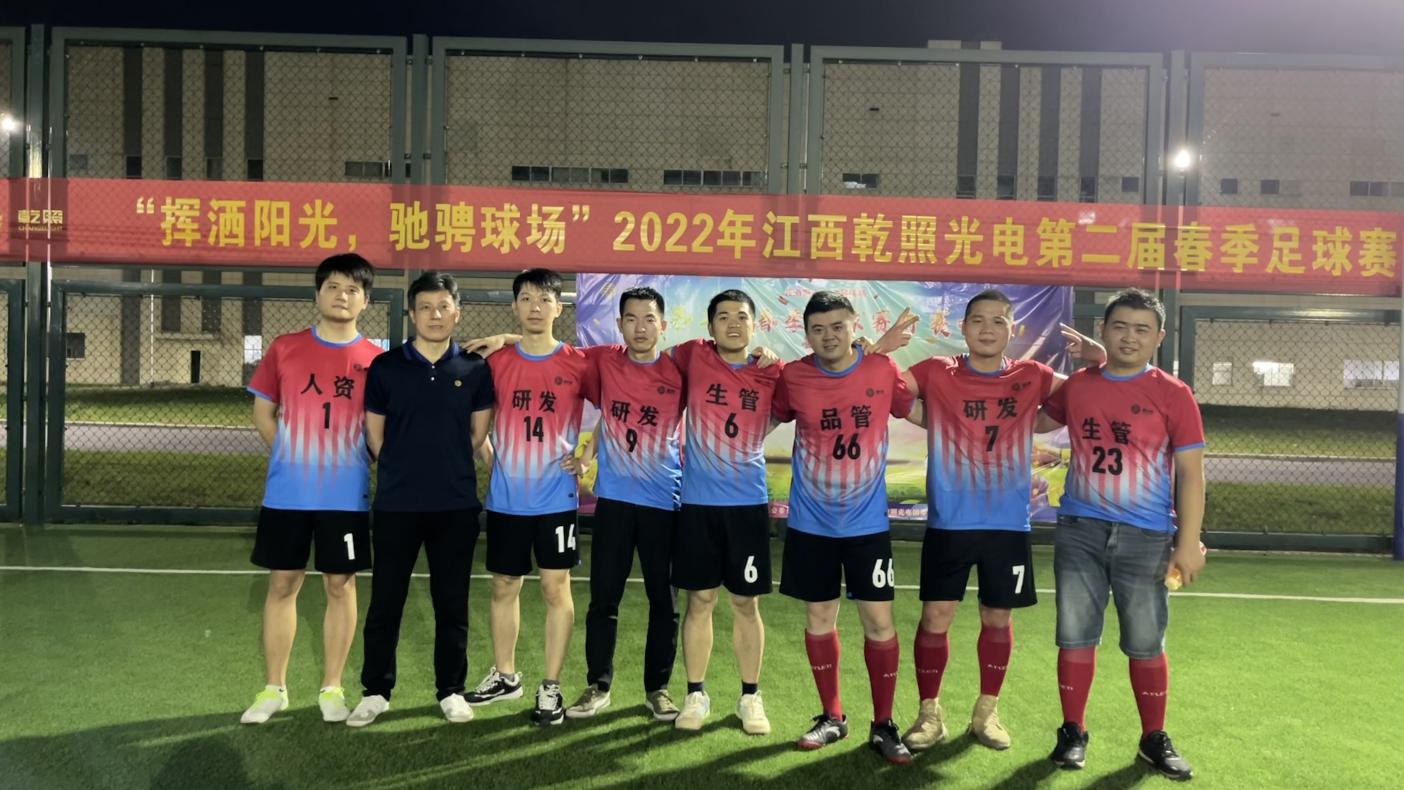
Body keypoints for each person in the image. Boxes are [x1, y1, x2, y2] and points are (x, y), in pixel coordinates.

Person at [889, 290, 1103, 754]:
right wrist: (880, 354)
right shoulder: (937, 371)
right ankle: (929, 714)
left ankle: (986, 712)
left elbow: (1082, 393)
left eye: (998, 321)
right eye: (978, 320)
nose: (987, 328)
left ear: (1012, 329)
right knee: (935, 616)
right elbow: (888, 390)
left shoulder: (1031, 375)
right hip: (950, 522)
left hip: (1007, 524)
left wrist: (1098, 360)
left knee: (997, 617)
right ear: (963, 327)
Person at [1037, 288, 1206, 781]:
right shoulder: (1078, 386)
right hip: (1080, 530)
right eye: (1120, 327)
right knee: (1075, 636)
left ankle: (1153, 738)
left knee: (1146, 642)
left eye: (1141, 330)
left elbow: (1191, 473)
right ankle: (1073, 732)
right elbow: (1040, 418)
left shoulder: (1174, 393)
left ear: (1159, 337)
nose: (1130, 338)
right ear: (1103, 331)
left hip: (1147, 535)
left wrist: (1187, 542)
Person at [770, 291, 916, 764]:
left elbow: (911, 405)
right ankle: (832, 716)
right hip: (811, 522)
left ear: (855, 327)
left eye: (837, 326)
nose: (828, 336)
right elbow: (769, 414)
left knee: (879, 622)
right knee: (819, 617)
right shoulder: (794, 376)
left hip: (867, 525)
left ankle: (883, 723)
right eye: (818, 329)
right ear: (806, 334)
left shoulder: (882, 369)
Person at [344, 272, 495, 727]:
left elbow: (478, 433)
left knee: (452, 603)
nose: (435, 315)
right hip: (397, 505)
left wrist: (443, 463)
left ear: (457, 313)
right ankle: (376, 690)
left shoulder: (474, 368)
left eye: (443, 306)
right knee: (385, 602)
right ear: (411, 314)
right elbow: (375, 436)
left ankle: (450, 690)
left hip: (455, 504)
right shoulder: (387, 367)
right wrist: (404, 468)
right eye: (425, 307)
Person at [240, 253, 381, 725]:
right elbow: (264, 413)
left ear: (366, 301)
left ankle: (332, 688)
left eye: (353, 290)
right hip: (288, 495)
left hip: (345, 496)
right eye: (333, 287)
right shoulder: (285, 348)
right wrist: (293, 454)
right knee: (283, 582)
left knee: (340, 584)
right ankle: (274, 688)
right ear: (317, 293)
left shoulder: (375, 361)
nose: (342, 296)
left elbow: (380, 430)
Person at [463, 268, 594, 727]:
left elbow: (622, 401)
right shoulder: (495, 362)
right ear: (515, 306)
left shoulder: (580, 363)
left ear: (560, 307)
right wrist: (491, 458)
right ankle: (505, 675)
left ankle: (551, 685)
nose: (535, 307)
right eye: (526, 299)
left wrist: (587, 456)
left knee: (555, 589)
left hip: (556, 499)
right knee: (504, 585)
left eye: (544, 299)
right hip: (506, 500)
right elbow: (476, 421)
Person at [669, 289, 783, 735]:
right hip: (698, 504)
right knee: (700, 599)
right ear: (710, 326)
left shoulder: (771, 371)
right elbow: (642, 356)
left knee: (745, 601)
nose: (733, 323)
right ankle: (695, 693)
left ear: (754, 325)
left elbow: (783, 411)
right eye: (723, 317)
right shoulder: (693, 355)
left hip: (747, 504)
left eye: (741, 316)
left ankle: (750, 695)